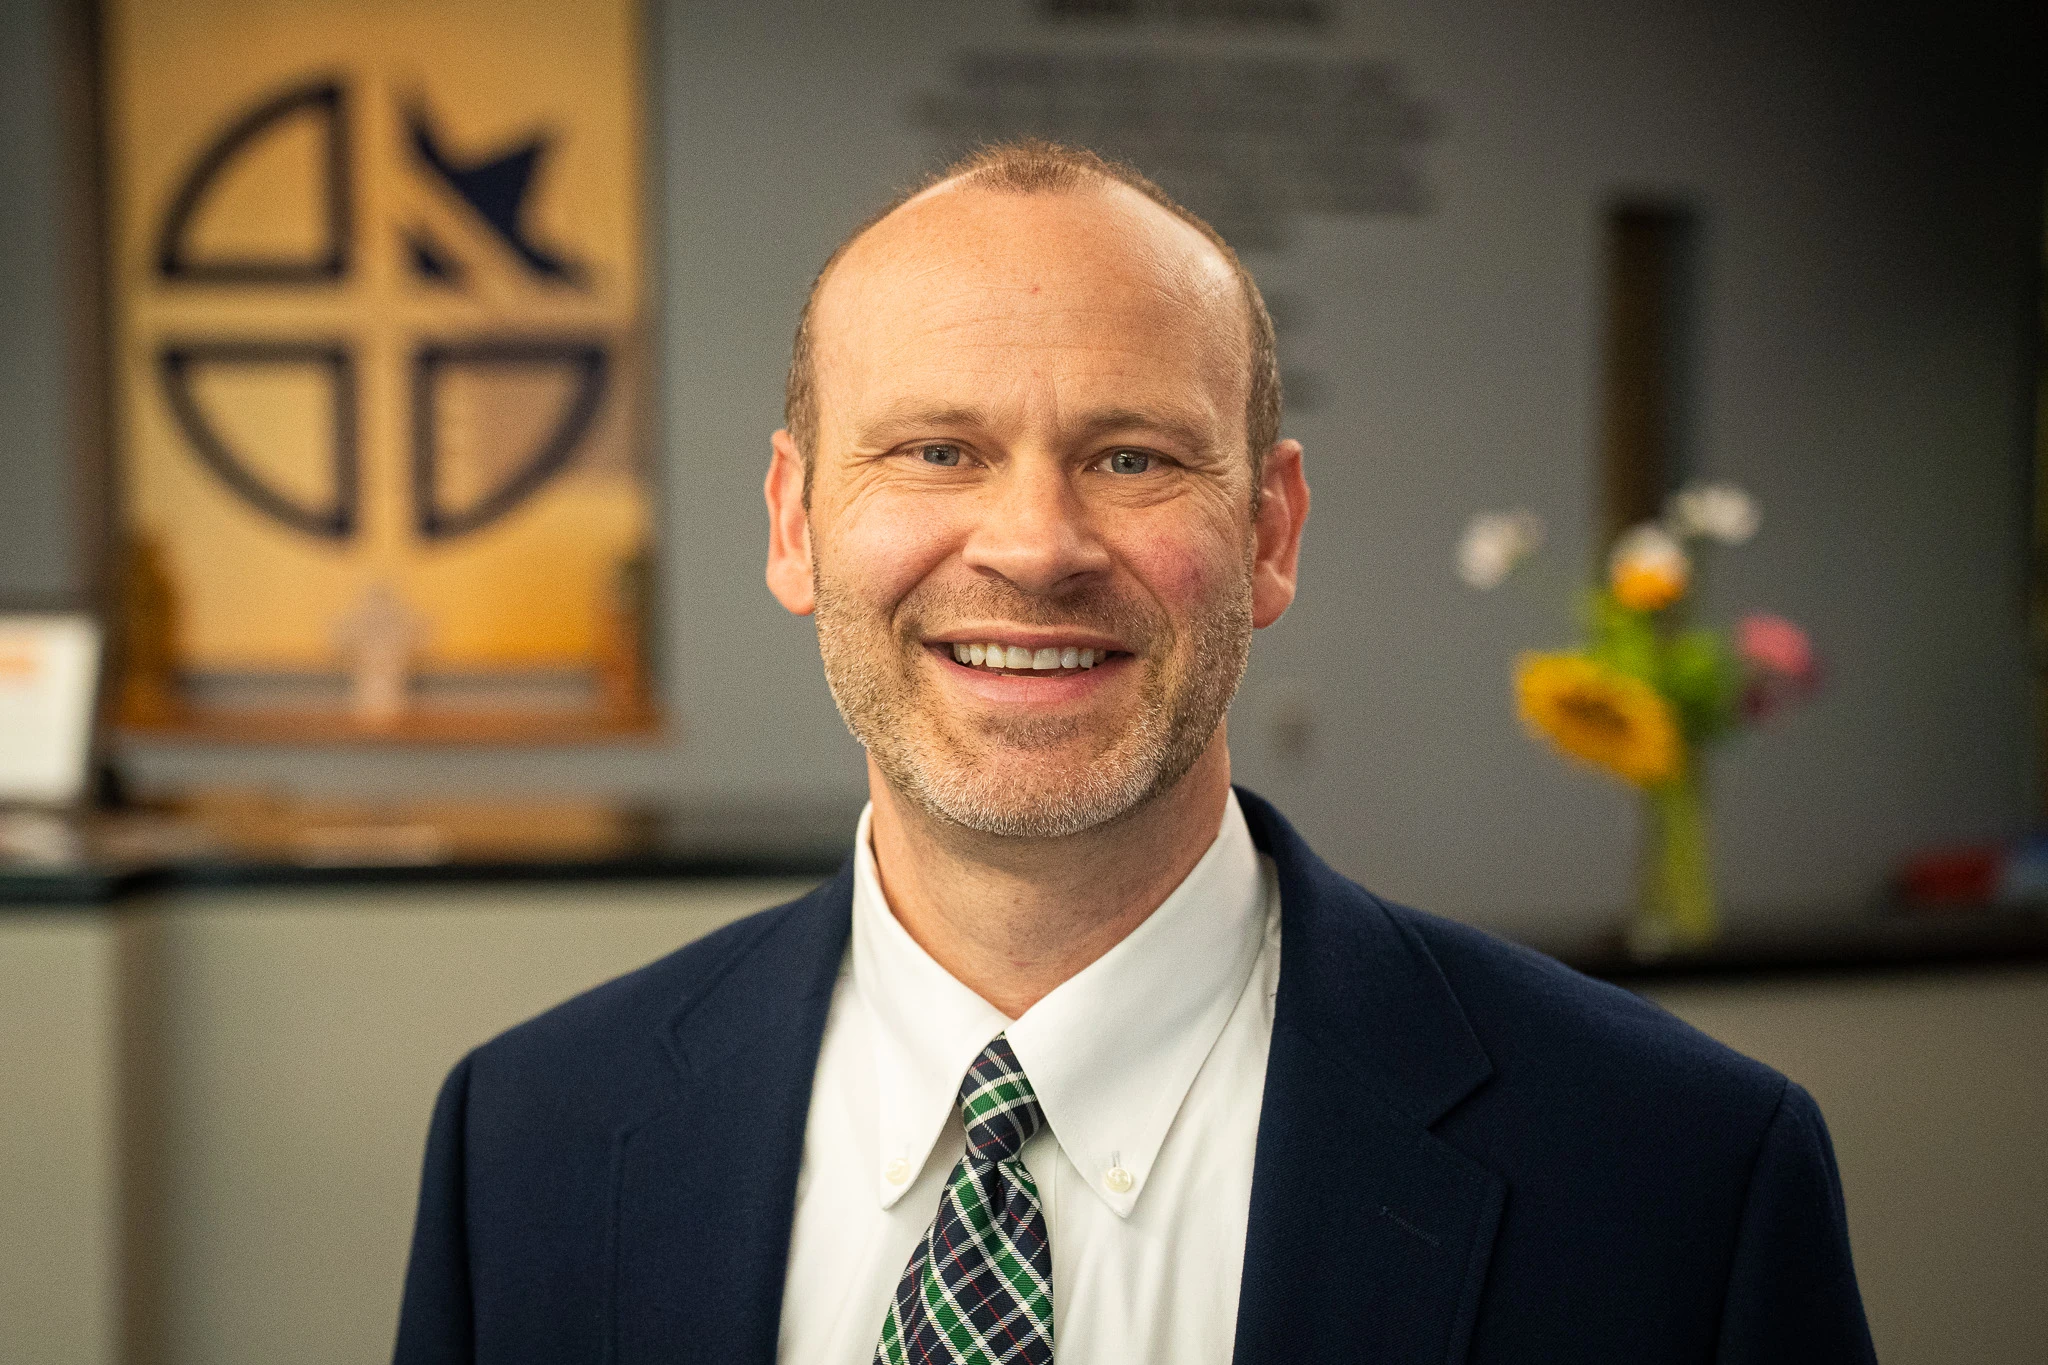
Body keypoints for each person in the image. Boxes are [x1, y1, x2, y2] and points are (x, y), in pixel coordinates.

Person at [394, 141, 1875, 1364]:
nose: (1034, 548)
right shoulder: (526, 1147)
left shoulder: (1678, 1179)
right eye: (936, 451)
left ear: (1270, 535)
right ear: (793, 523)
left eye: (1132, 458)